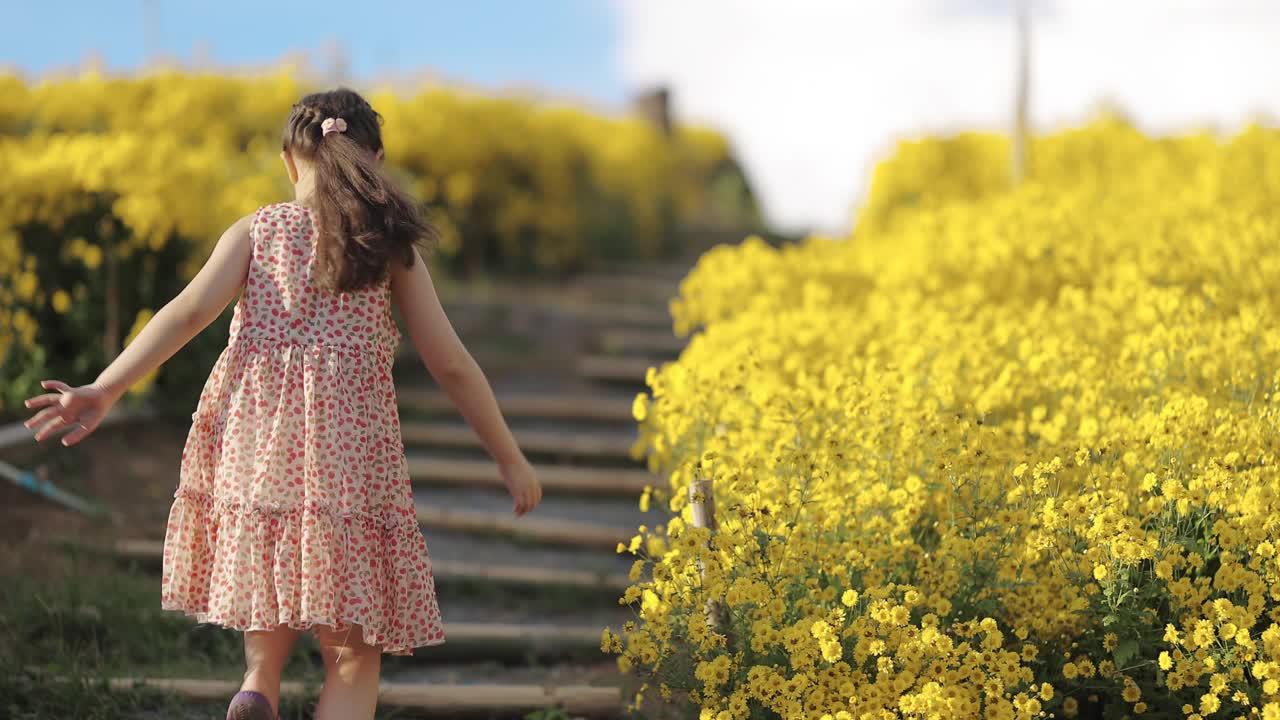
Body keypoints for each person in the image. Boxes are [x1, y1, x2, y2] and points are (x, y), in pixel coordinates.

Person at [21, 87, 542, 720]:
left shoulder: (257, 230)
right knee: (354, 656)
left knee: (271, 583)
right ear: (374, 159)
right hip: (348, 461)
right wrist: (510, 457)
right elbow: (451, 365)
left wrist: (105, 386)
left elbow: (185, 312)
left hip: (257, 446)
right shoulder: (387, 250)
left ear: (289, 163)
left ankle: (258, 685)